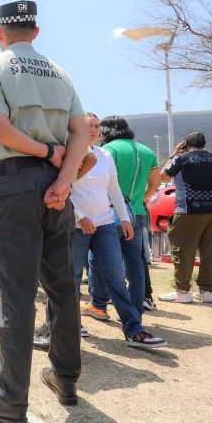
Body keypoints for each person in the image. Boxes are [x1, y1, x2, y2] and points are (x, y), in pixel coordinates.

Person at [0, 0, 89, 423]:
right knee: (62, 285)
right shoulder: (61, 73)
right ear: (35, 32)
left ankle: (9, 397)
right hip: (57, 188)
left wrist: (44, 152)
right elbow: (81, 134)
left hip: (16, 182)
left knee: (17, 291)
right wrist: (63, 178)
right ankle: (66, 378)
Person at [68, 113, 166, 347]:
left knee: (116, 278)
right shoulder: (69, 153)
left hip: (104, 224)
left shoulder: (105, 156)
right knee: (71, 278)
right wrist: (79, 217)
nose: (93, 130)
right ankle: (68, 324)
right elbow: (64, 188)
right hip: (76, 226)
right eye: (87, 126)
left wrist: (123, 218)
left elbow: (113, 190)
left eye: (96, 126)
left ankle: (134, 329)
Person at [91, 116, 160, 314]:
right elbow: (155, 184)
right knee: (135, 263)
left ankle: (99, 305)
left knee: (98, 259)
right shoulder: (147, 151)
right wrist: (141, 199)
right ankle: (135, 310)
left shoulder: (109, 151)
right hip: (137, 212)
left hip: (109, 214)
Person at [157, 132, 212, 303]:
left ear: (185, 144)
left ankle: (183, 292)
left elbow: (163, 175)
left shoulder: (182, 158)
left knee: (183, 251)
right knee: (210, 252)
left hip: (188, 210)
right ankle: (206, 292)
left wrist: (174, 154)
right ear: (204, 143)